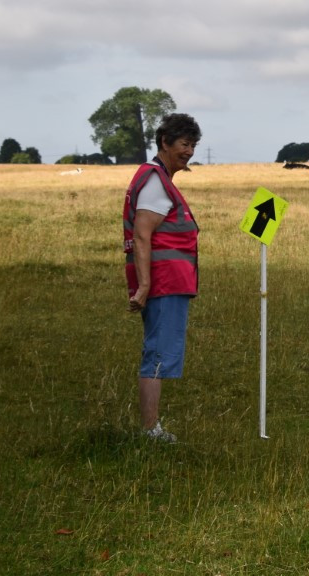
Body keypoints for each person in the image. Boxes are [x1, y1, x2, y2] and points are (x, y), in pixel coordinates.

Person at [123, 113, 202, 443]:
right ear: (165, 143)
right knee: (157, 354)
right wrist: (144, 286)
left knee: (159, 352)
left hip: (169, 281)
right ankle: (150, 431)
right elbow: (143, 235)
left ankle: (150, 428)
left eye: (194, 145)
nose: (189, 151)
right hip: (164, 282)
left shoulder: (158, 178)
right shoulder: (156, 180)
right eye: (184, 144)